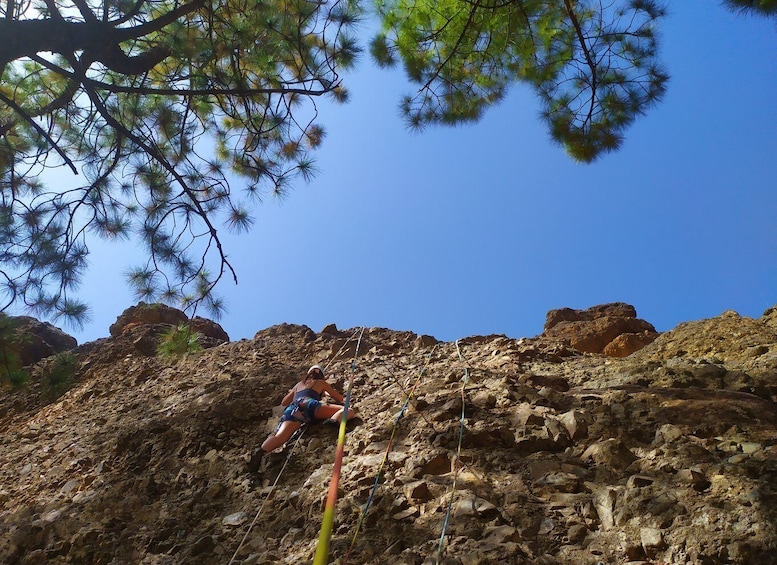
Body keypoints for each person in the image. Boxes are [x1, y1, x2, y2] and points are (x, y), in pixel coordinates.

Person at [247, 364, 356, 472]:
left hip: (293, 409)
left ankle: (260, 451)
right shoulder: (321, 383)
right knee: (348, 410)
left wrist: (297, 392)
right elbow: (339, 398)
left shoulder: (298, 385)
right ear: (322, 375)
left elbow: (284, 402)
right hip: (310, 404)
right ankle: (333, 421)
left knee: (280, 437)